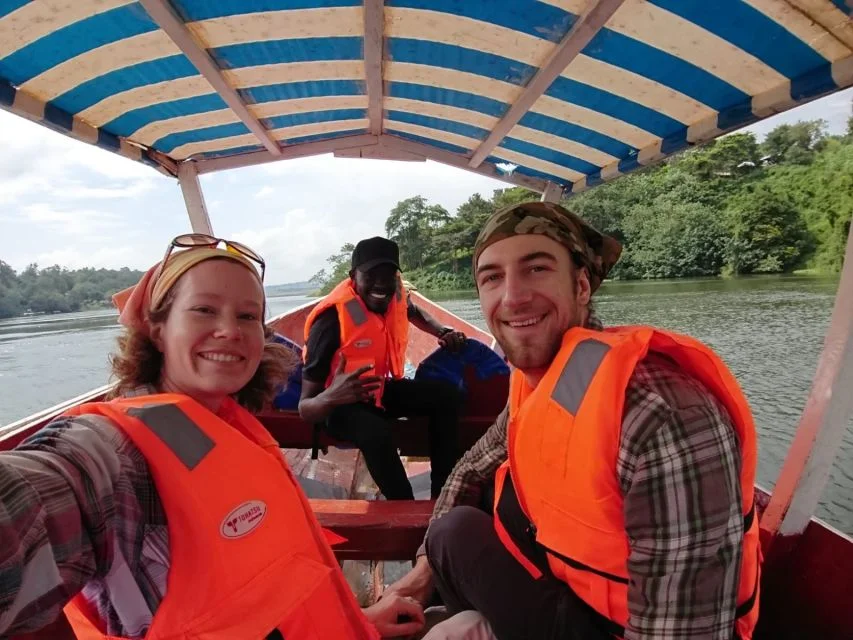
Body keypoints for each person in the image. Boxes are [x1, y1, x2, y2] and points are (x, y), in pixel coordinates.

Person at [0, 234, 424, 639]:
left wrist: (360, 622)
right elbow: (34, 500)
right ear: (157, 329)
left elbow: (267, 596)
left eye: (247, 316)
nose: (230, 330)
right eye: (204, 310)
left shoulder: (229, 425)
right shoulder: (113, 449)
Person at [385, 202, 762, 640]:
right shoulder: (549, 378)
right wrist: (422, 574)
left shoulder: (663, 418)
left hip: (625, 628)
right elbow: (470, 469)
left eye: (537, 269)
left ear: (582, 285)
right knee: (451, 533)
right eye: (492, 278)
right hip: (570, 592)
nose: (513, 297)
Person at [299, 236, 466, 500]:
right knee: (375, 431)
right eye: (371, 275)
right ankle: (404, 506)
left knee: (447, 396)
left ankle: (443, 491)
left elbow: (413, 311)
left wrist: (442, 331)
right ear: (353, 276)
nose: (381, 283)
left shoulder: (395, 296)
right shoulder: (331, 320)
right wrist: (332, 396)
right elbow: (306, 408)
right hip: (337, 405)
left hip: (376, 390)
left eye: (388, 275)